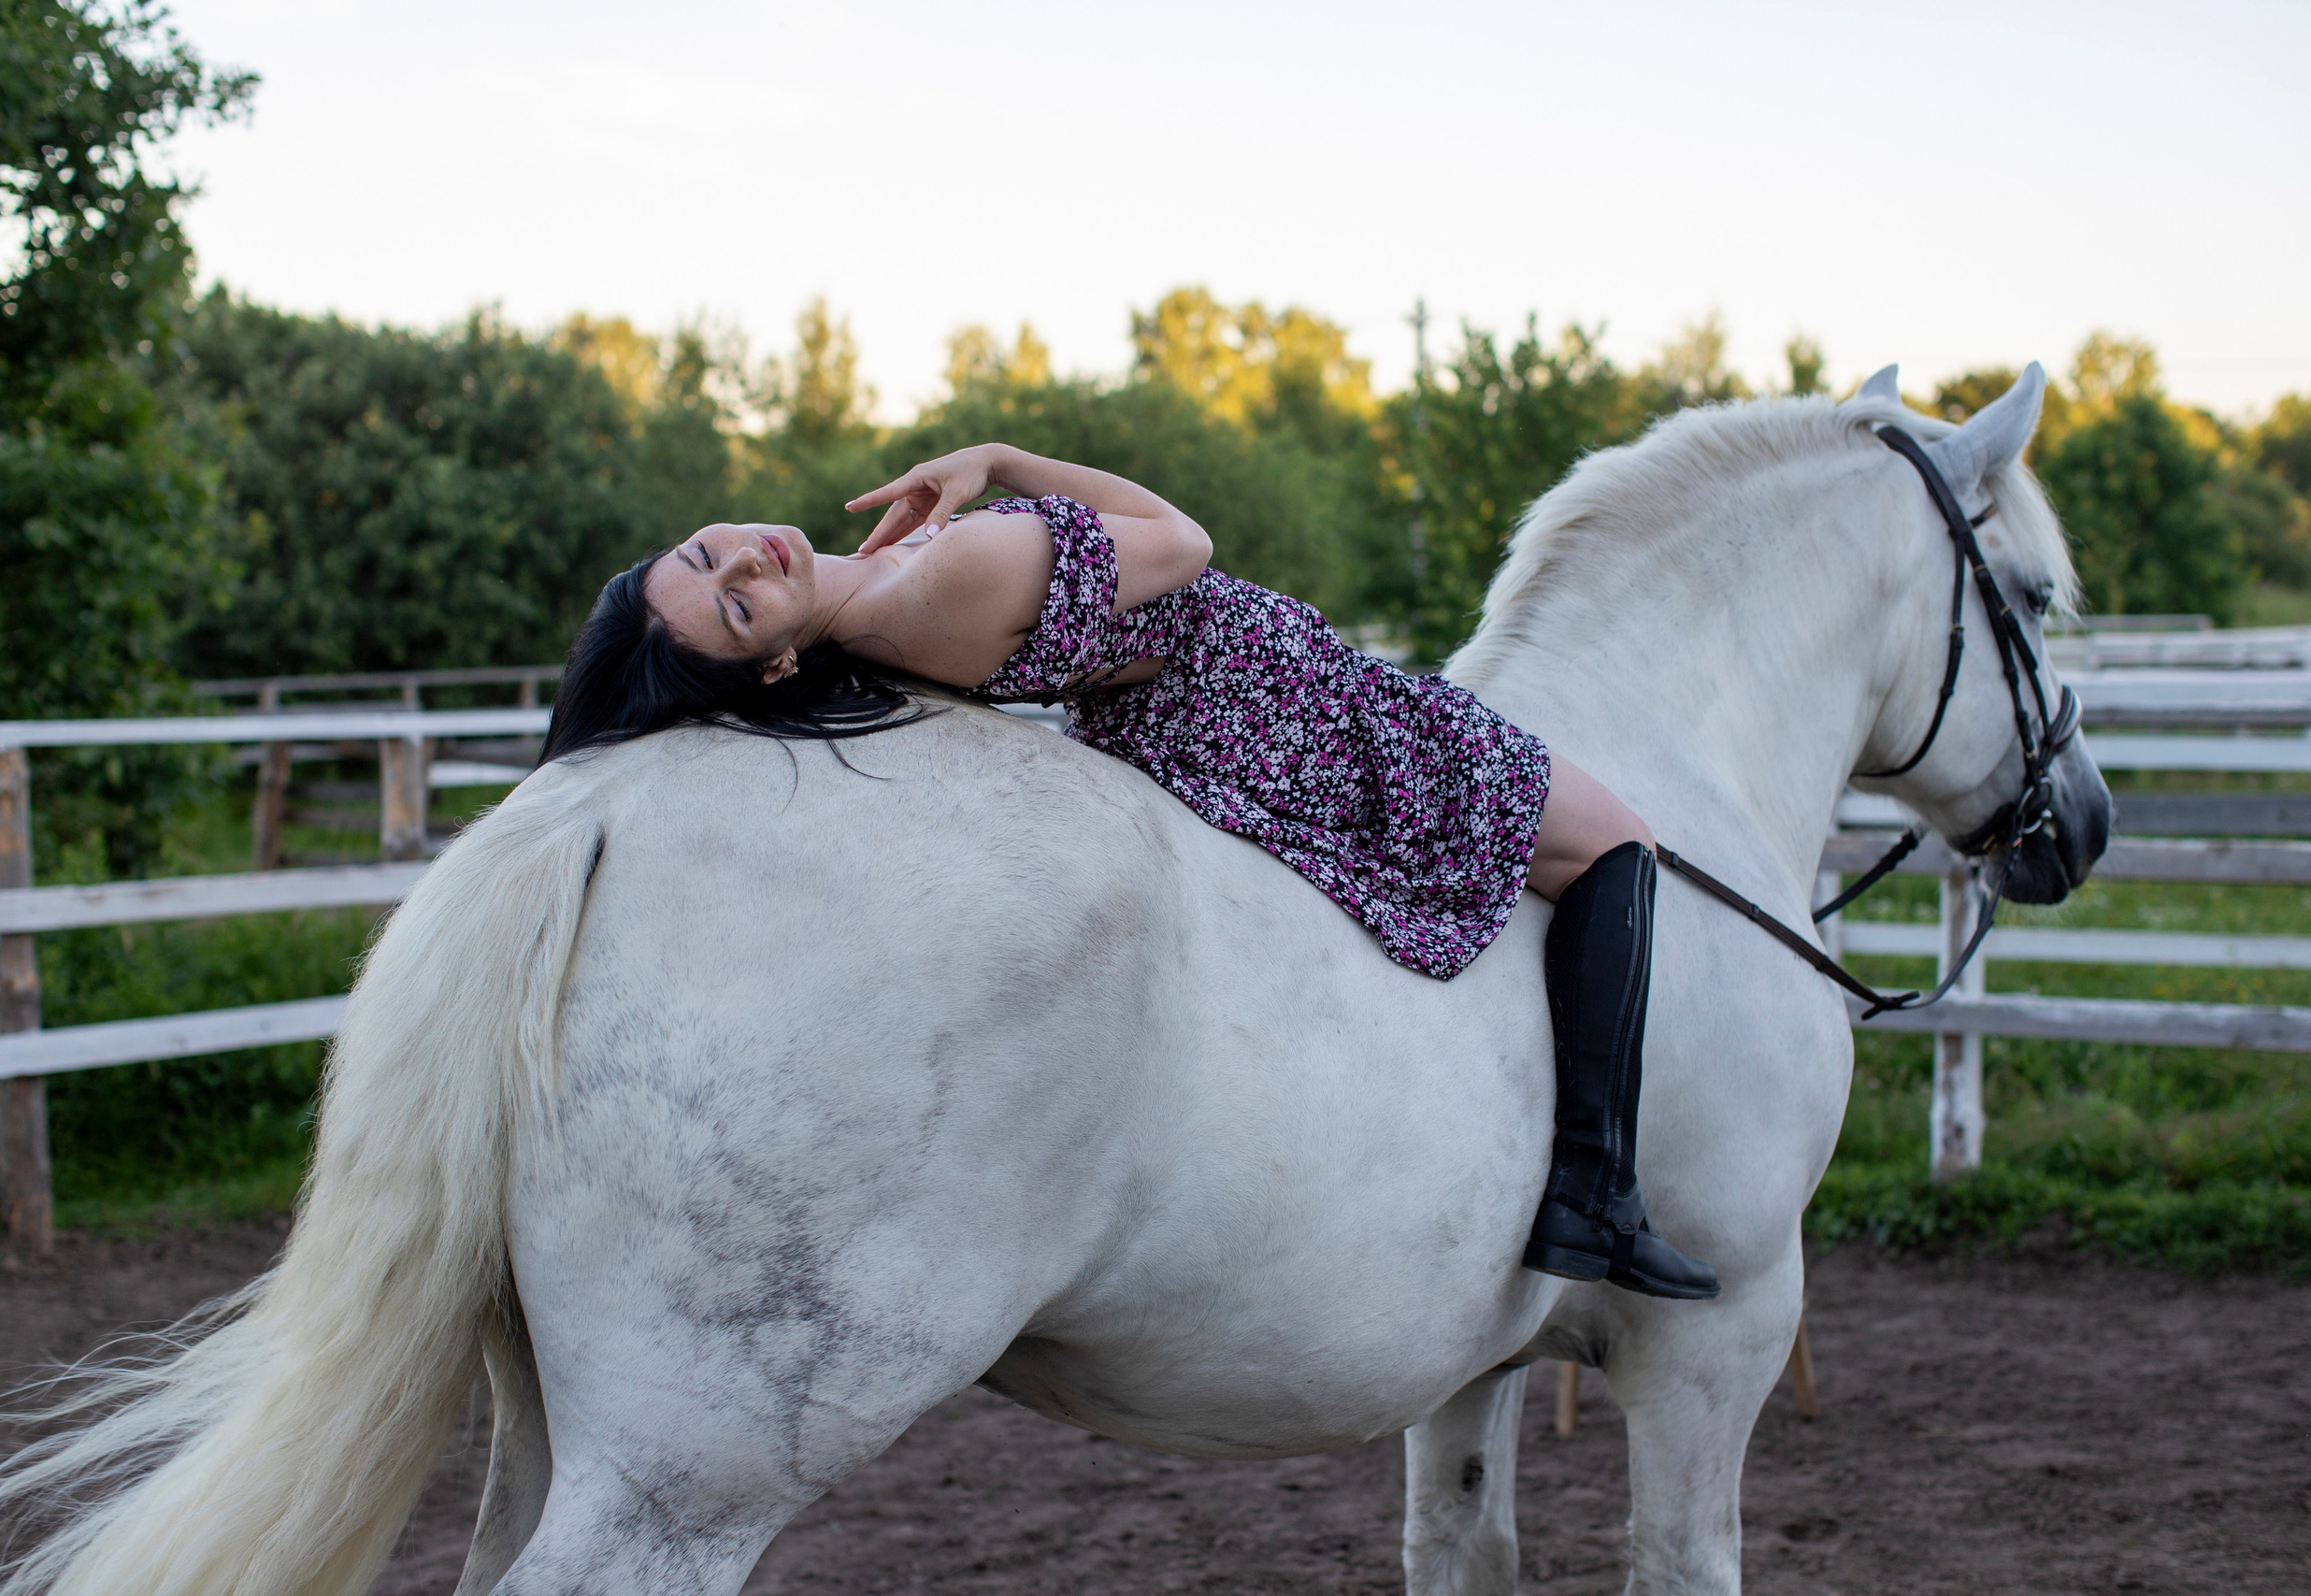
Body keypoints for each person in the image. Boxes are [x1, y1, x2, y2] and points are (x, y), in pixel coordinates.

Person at [540, 444, 1718, 1300]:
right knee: (1615, 841)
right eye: (738, 604)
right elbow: (1183, 542)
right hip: (1287, 702)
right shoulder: (937, 584)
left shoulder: (878, 618)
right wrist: (1001, 459)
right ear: (774, 662)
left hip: (1204, 718)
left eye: (711, 552)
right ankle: (1592, 1192)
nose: (750, 556)